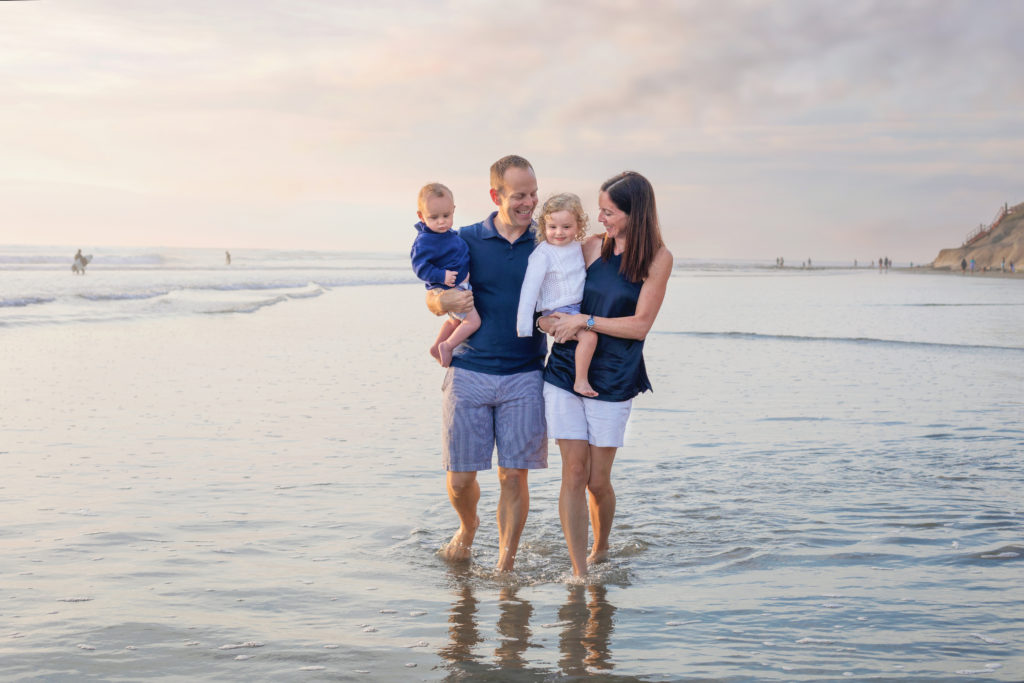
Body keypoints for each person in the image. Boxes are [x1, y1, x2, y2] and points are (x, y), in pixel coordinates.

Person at [540, 171, 673, 577]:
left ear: (636, 213)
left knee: (598, 481)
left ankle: (601, 547)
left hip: (615, 377)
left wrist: (588, 320)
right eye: (600, 209)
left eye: (609, 211)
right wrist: (550, 322)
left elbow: (640, 326)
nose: (601, 219)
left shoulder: (658, 259)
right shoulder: (590, 247)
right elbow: (551, 297)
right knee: (574, 472)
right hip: (565, 369)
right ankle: (580, 569)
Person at [426, 155, 547, 572]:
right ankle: (468, 525)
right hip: (469, 371)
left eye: (533, 193)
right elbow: (431, 295)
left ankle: (505, 563)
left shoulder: (546, 242)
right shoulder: (463, 240)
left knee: (514, 476)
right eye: (519, 195)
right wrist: (441, 300)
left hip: (526, 373)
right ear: (496, 195)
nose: (529, 202)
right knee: (461, 478)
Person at [516, 193, 598, 397]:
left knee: (588, 338)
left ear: (578, 226)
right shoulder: (542, 254)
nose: (559, 233)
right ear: (544, 227)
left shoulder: (577, 248)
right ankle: (580, 381)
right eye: (552, 227)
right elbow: (529, 290)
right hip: (556, 311)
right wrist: (524, 327)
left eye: (566, 227)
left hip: (577, 309)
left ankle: (575, 379)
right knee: (589, 337)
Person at [411, 183, 482, 367]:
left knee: (453, 322)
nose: (441, 222)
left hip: (459, 286)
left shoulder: (448, 234)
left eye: (446, 216)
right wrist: (441, 276)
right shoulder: (425, 241)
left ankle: (436, 347)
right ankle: (448, 346)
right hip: (451, 289)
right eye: (434, 217)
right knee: (472, 322)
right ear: (421, 216)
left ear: (453, 210)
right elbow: (420, 268)